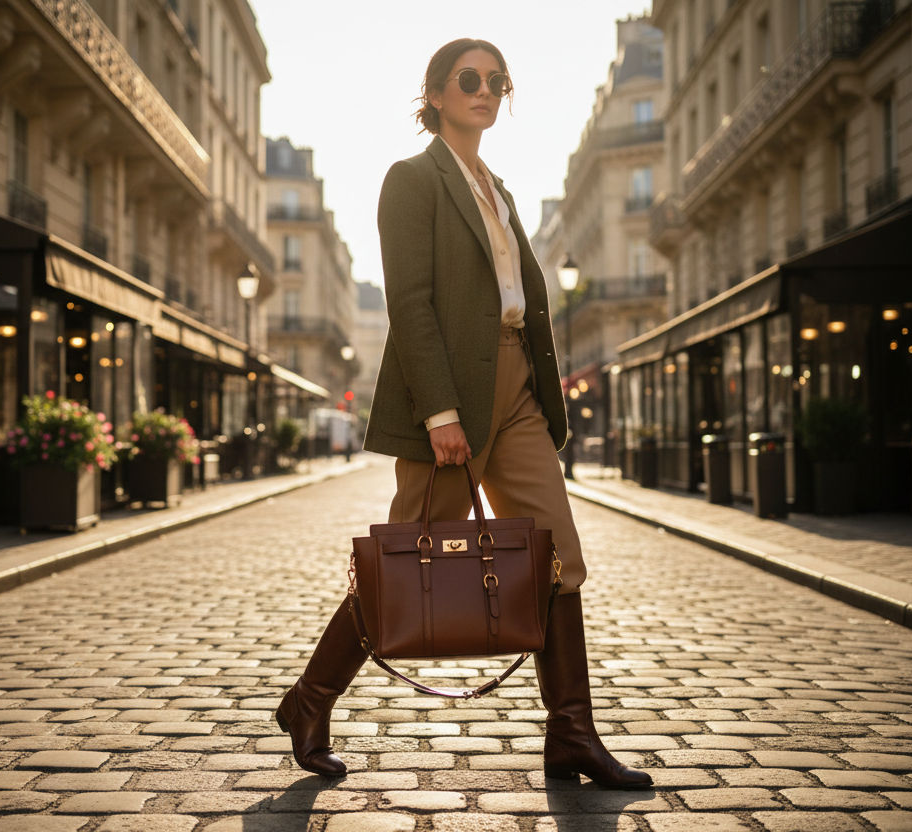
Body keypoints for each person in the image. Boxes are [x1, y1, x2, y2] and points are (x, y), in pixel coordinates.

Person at [274, 38, 651, 789]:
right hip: (449, 397)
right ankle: (309, 701)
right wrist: (439, 409)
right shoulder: (412, 181)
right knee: (405, 563)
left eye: (496, 81)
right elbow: (411, 303)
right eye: (469, 79)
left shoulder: (499, 189)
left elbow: (517, 301)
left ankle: (571, 732)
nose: (485, 90)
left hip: (518, 395)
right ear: (438, 95)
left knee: (560, 558)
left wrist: (540, 392)